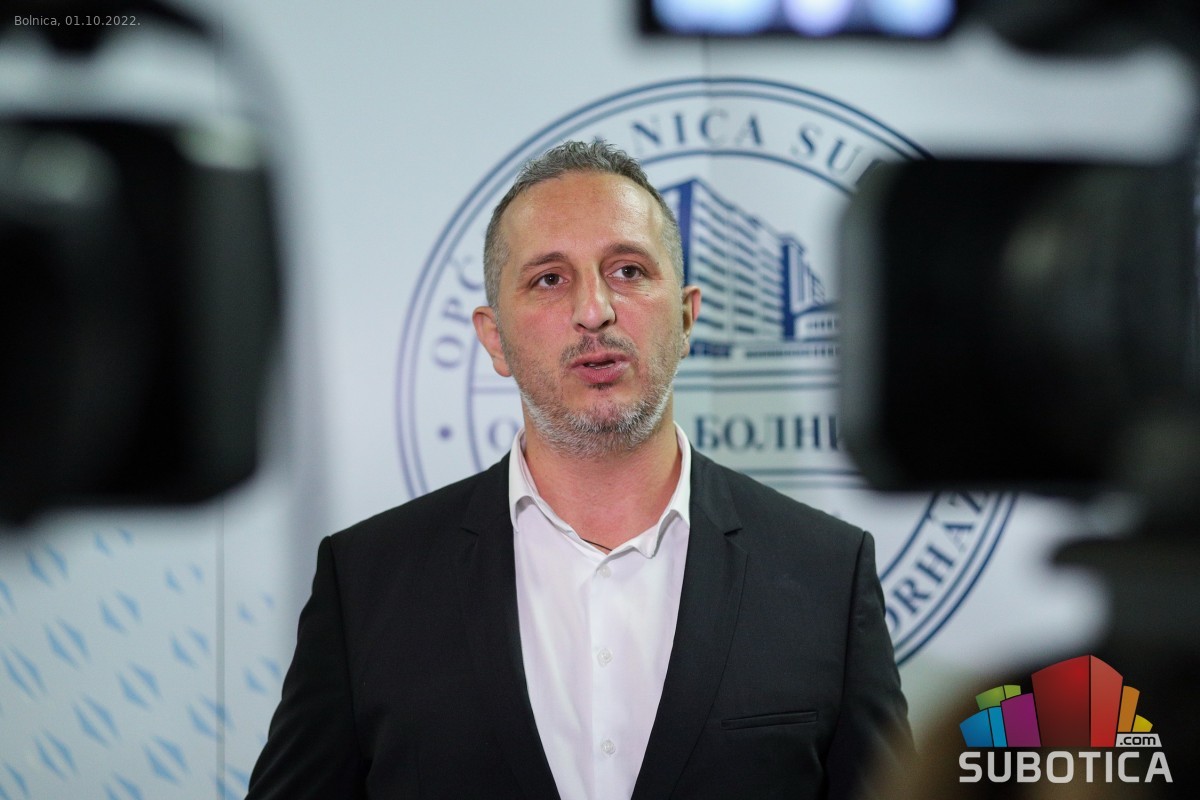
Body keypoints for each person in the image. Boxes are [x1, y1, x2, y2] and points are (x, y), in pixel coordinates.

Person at [247, 140, 911, 800]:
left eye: (628, 270)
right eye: (549, 279)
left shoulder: (827, 574)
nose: (594, 311)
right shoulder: (367, 583)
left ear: (686, 318)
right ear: (494, 339)